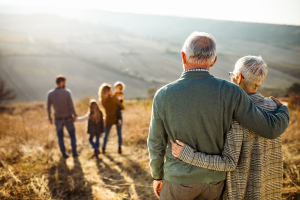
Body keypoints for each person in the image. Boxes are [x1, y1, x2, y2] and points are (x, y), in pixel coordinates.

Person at [147, 32, 289, 200]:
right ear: (214, 60)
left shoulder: (163, 95)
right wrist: (283, 110)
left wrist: (157, 176)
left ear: (183, 57)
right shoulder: (231, 91)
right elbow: (269, 129)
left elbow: (155, 143)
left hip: (178, 180)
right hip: (214, 183)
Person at [170, 55, 284, 200]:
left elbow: (229, 163)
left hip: (242, 192)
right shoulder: (274, 107)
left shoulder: (233, 113)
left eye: (232, 75)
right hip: (270, 190)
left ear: (238, 78)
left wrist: (188, 155)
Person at [47, 75, 79, 158]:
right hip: (68, 118)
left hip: (57, 119)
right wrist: (75, 115)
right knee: (72, 135)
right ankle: (74, 152)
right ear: (61, 82)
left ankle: (64, 154)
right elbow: (71, 106)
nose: (65, 84)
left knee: (60, 137)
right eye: (65, 82)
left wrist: (49, 117)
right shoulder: (67, 92)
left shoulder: (50, 94)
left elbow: (48, 107)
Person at [98, 83, 125, 154]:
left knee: (106, 134)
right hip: (117, 117)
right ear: (108, 91)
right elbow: (122, 107)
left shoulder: (102, 100)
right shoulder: (114, 99)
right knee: (119, 133)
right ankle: (119, 148)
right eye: (111, 89)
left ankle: (103, 148)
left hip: (108, 118)